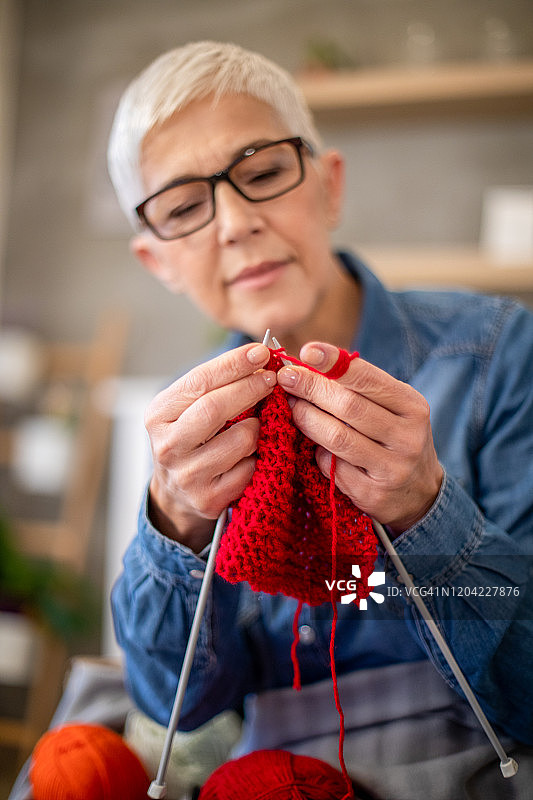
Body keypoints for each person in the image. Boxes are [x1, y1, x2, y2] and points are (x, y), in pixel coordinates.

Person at [105, 41, 533, 799]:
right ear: (157, 261)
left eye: (263, 172)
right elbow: (182, 706)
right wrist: (173, 523)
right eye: (183, 209)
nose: (234, 223)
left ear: (328, 187)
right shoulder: (185, 436)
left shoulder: (496, 356)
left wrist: (425, 514)